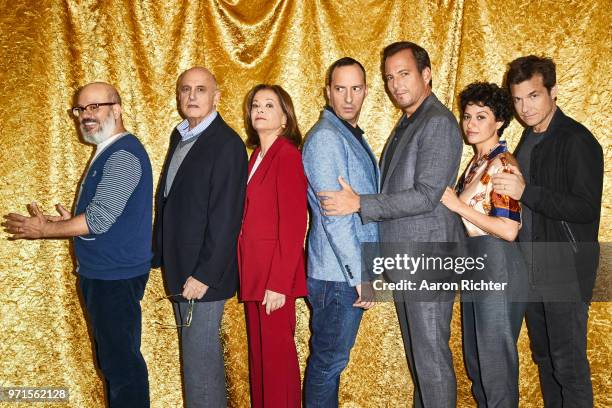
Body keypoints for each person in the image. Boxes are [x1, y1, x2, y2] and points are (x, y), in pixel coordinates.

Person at [318, 42, 464, 407]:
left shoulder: (438, 122)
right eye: (389, 77)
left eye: (404, 74)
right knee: (421, 360)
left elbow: (427, 195)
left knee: (430, 360)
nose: (396, 84)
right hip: (406, 260)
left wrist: (359, 203)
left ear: (426, 75)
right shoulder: (410, 121)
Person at [3, 82, 152, 407]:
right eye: (80, 109)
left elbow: (99, 219)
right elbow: (107, 217)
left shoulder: (123, 154)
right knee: (116, 362)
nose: (86, 115)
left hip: (114, 276)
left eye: (95, 107)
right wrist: (68, 221)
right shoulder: (111, 150)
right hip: (107, 274)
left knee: (122, 368)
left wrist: (45, 230)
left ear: (118, 108)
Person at [492, 56, 603, 407]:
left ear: (553, 92)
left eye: (534, 96)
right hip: (532, 267)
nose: (525, 107)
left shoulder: (577, 140)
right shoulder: (527, 139)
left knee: (568, 365)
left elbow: (585, 208)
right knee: (545, 360)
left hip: (565, 268)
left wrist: (527, 192)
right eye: (518, 99)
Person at [152, 67, 247, 408]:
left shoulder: (227, 143)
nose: (192, 97)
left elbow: (227, 217)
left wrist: (204, 274)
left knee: (199, 366)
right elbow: (171, 200)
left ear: (216, 97)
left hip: (203, 277)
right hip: (180, 269)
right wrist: (158, 253)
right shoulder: (180, 136)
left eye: (201, 90)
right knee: (197, 363)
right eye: (185, 90)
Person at [439, 82, 527, 407]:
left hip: (498, 260)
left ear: (499, 121)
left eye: (481, 116)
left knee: (495, 365)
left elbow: (508, 230)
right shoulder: (477, 162)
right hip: (479, 262)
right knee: (477, 360)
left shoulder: (502, 165)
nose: (471, 124)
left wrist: (458, 206)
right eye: (467, 116)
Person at [301, 57, 378, 407]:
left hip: (343, 274)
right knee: (328, 364)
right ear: (328, 92)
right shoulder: (326, 139)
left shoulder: (347, 135)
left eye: (355, 88)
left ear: (365, 92)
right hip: (338, 276)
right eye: (340, 88)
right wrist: (360, 274)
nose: (348, 97)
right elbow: (335, 217)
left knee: (332, 363)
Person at [237, 84, 307, 408]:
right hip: (253, 274)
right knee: (260, 363)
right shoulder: (255, 157)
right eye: (256, 104)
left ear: (284, 118)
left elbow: (293, 227)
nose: (260, 109)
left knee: (277, 366)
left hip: (274, 280)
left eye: (269, 104)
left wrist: (279, 283)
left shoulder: (287, 155)